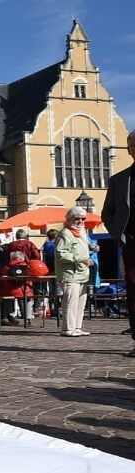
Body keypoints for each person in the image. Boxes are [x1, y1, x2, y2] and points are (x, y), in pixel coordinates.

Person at [102, 130, 135, 354]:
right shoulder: (120, 180)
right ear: (129, 149)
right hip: (132, 243)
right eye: (134, 145)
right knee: (133, 291)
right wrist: (118, 236)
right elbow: (108, 213)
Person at [54, 206, 94, 337]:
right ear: (70, 219)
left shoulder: (82, 233)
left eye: (83, 219)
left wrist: (92, 249)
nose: (81, 221)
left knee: (81, 302)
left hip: (82, 273)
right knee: (71, 302)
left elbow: (81, 250)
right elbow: (61, 254)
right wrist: (81, 259)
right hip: (70, 274)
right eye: (78, 219)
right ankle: (68, 328)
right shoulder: (65, 233)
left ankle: (77, 326)